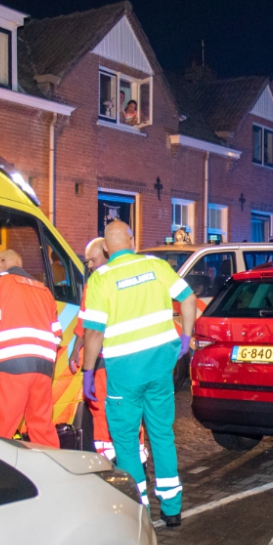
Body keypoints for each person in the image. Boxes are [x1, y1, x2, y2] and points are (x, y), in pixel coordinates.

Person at [80, 221, 197, 527]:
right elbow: (188, 299)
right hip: (160, 368)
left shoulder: (101, 279)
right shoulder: (156, 266)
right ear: (132, 239)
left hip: (124, 375)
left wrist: (88, 372)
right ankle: (172, 509)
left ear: (106, 248)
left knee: (127, 443)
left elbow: (93, 333)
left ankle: (139, 514)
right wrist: (184, 338)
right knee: (161, 435)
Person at [69, 238, 151, 463]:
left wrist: (81, 358)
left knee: (103, 409)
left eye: (93, 260)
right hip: (135, 361)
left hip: (107, 362)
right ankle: (137, 460)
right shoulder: (135, 279)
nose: (90, 266)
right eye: (87, 262)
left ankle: (111, 461)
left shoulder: (97, 282)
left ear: (106, 254)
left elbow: (89, 326)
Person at [0, 250, 62, 448]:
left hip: (12, 364)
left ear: (3, 262)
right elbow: (56, 336)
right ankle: (51, 473)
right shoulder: (44, 290)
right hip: (44, 367)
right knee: (42, 427)